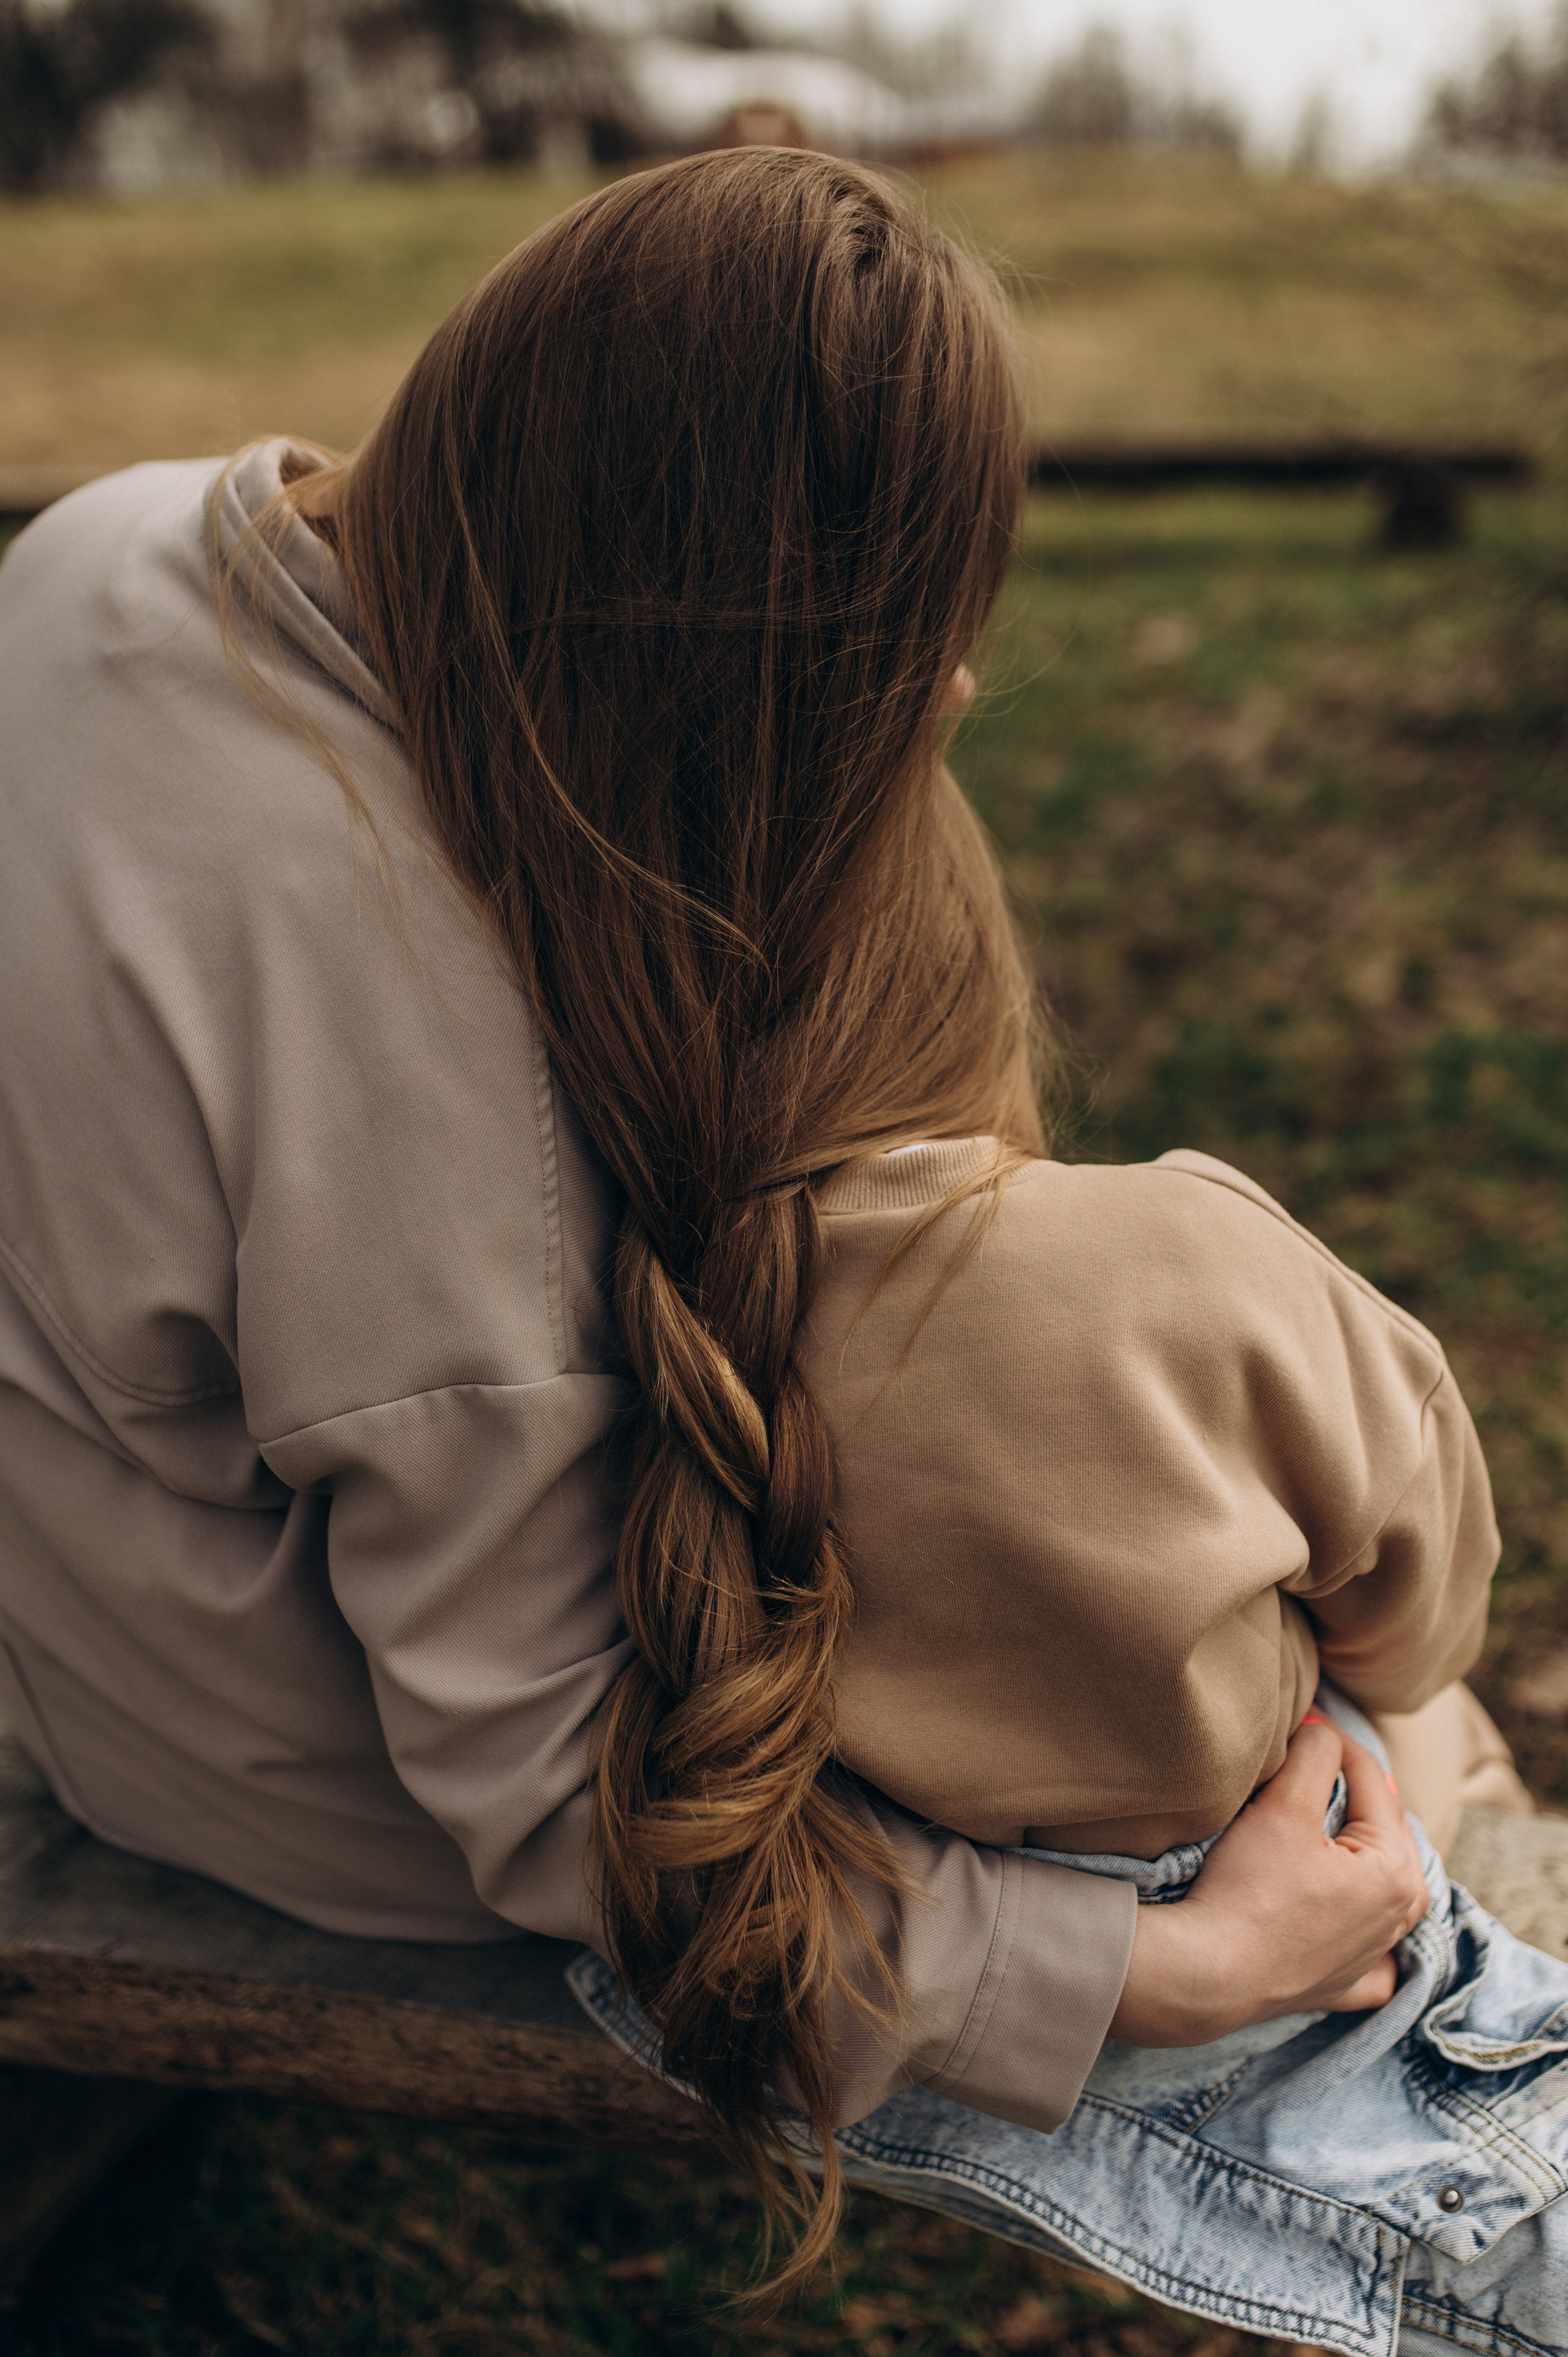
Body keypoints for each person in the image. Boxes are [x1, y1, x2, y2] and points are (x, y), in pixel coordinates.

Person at [0, 151, 1551, 2347]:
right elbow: (576, 1817)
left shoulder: (132, 535)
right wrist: (1142, 1968)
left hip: (68, 1579)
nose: (958, 686)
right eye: (912, 649)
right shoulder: (453, 1174)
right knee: (1167, 1705)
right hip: (268, 1770)